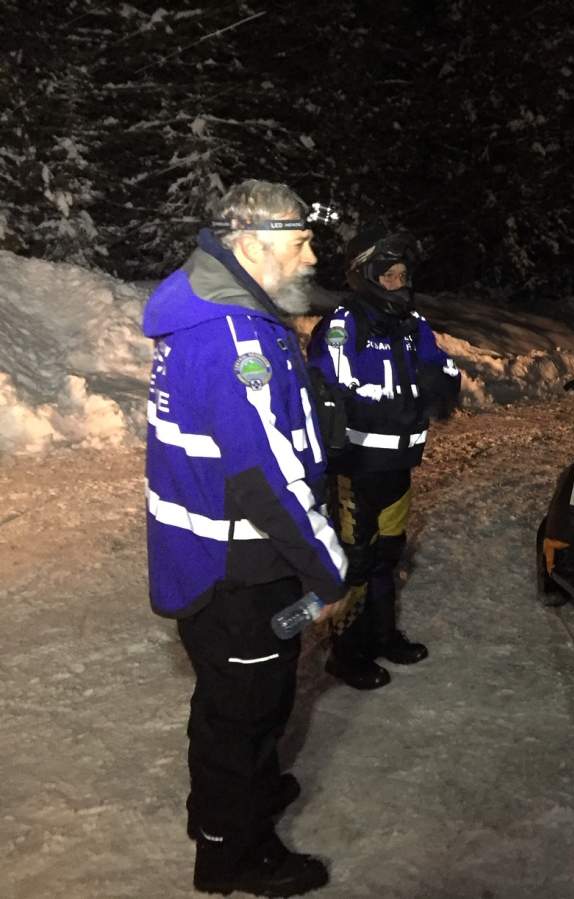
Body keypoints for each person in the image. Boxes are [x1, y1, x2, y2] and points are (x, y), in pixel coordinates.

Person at [143, 180, 348, 895]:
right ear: (252, 246)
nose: (313, 255)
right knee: (247, 710)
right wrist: (330, 568)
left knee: (227, 701)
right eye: (300, 242)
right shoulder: (235, 339)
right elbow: (268, 482)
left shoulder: (217, 312)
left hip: (211, 563)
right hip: (239, 570)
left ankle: (226, 807)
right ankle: (235, 853)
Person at [307, 226, 461, 690]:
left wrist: (442, 383)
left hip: (399, 465)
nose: (398, 281)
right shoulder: (343, 325)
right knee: (356, 557)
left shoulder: (413, 325)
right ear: (364, 275)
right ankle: (346, 653)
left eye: (402, 273)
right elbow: (327, 386)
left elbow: (442, 367)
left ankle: (383, 634)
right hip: (355, 467)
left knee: (387, 554)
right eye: (387, 274)